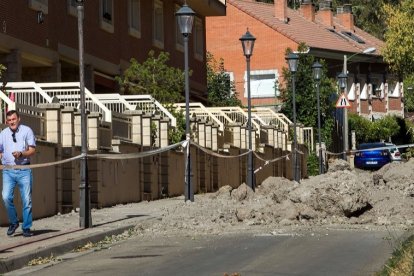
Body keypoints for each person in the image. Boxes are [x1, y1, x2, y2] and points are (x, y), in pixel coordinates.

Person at [0, 110, 36, 237]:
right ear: (6, 121)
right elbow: (0, 150)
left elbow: (32, 150)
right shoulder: (3, 134)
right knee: (6, 197)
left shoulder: (27, 131)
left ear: (18, 119)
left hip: (24, 170)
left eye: (13, 119)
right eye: (9, 120)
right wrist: (2, 159)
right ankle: (14, 222)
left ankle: (26, 227)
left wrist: (21, 153)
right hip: (8, 171)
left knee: (27, 200)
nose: (11, 122)